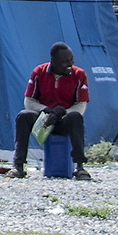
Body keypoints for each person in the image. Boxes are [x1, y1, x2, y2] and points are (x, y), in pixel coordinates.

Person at [12, 42, 93, 181]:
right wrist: (47, 111)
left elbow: (81, 105)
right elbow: (29, 101)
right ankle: (18, 166)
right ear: (53, 61)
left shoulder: (79, 75)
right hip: (44, 119)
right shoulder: (39, 72)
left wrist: (61, 113)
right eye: (64, 62)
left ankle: (80, 167)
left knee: (76, 117)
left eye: (71, 60)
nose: (69, 64)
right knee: (23, 116)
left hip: (64, 118)